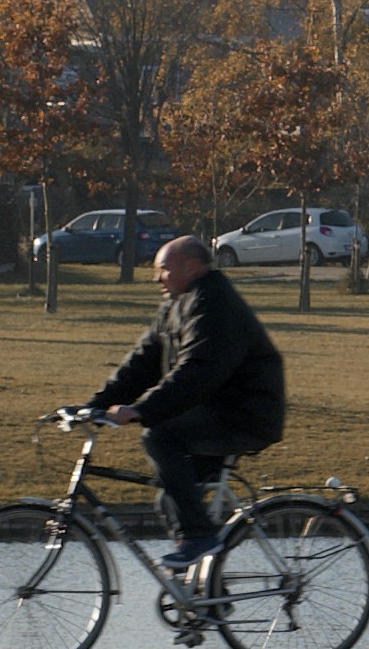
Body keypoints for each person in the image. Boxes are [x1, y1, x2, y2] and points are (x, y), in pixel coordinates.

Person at [80, 231, 288, 583]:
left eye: (163, 269)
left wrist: (142, 410)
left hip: (245, 415)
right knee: (170, 497)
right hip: (214, 411)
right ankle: (209, 591)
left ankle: (199, 537)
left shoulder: (213, 304)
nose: (156, 277)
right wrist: (93, 407)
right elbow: (141, 364)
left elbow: (198, 372)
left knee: (159, 436)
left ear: (192, 267)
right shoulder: (177, 305)